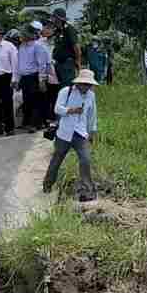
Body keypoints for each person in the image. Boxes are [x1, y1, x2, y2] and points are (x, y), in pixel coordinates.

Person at [43, 68, 100, 201]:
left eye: (89, 85)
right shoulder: (66, 92)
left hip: (80, 133)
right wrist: (71, 110)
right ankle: (47, 185)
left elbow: (92, 115)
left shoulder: (91, 95)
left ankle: (87, 191)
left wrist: (92, 131)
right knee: (57, 160)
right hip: (64, 133)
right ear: (79, 83)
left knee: (85, 160)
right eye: (84, 84)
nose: (87, 87)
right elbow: (57, 108)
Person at [18, 24, 50, 131]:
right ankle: (27, 122)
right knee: (27, 101)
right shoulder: (22, 46)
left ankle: (36, 124)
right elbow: (20, 63)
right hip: (25, 77)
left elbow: (42, 64)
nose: (21, 36)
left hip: (34, 77)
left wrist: (42, 80)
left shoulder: (37, 46)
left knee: (36, 101)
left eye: (23, 34)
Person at [50, 9, 80, 89]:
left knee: (67, 87)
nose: (52, 19)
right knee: (61, 87)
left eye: (53, 17)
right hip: (58, 63)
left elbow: (76, 47)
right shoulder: (57, 30)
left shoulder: (69, 29)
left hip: (67, 63)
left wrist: (78, 61)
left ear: (58, 18)